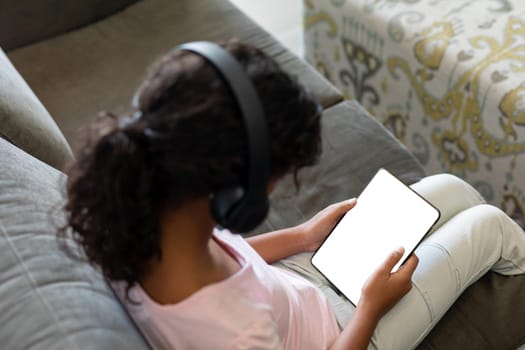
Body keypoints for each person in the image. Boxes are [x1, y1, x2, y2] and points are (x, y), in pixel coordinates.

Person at [62, 40, 525, 349]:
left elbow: (236, 258)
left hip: (295, 281)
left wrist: (304, 237)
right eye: (277, 177)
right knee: (490, 225)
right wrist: (371, 307)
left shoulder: (150, 214)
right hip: (345, 330)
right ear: (235, 192)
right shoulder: (237, 333)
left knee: (451, 189)